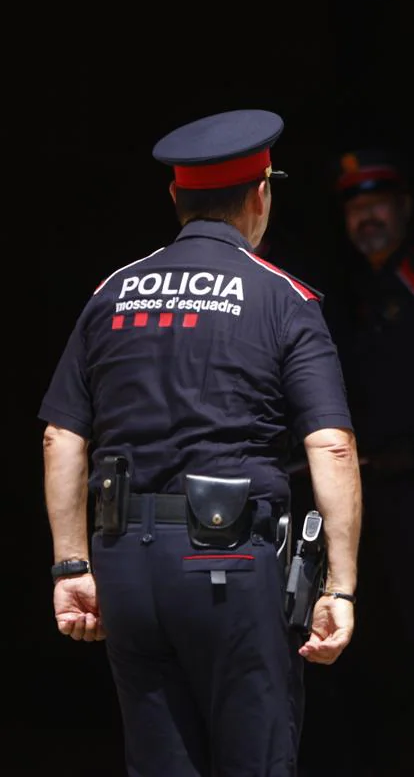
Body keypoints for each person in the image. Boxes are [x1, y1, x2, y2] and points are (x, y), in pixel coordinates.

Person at [38, 109, 363, 777]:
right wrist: (342, 586)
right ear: (259, 197)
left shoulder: (112, 293)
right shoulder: (283, 298)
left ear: (175, 198)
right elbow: (329, 445)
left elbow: (61, 436)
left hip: (126, 566)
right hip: (231, 567)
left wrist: (72, 567)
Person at [298, 148, 414, 777]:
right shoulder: (354, 289)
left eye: (377, 203)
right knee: (387, 642)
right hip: (375, 490)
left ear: (404, 207)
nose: (367, 218)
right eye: (355, 207)